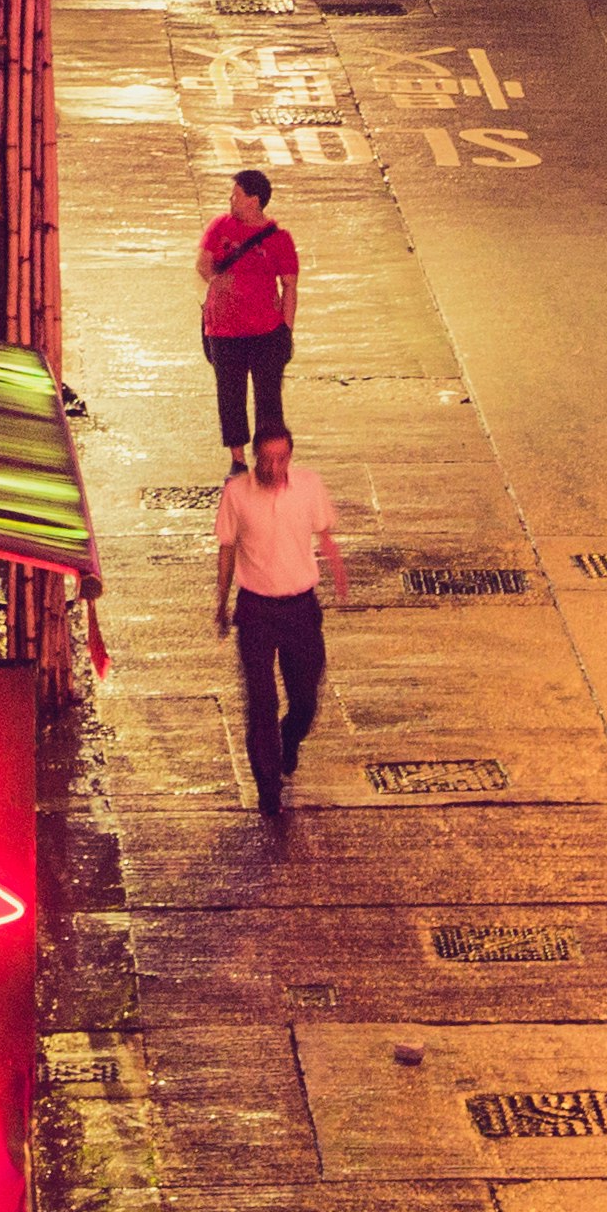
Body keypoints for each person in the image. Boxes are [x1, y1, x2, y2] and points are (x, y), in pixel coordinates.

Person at [213, 427, 348, 820]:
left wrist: (337, 568)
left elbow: (324, 534)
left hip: (300, 608)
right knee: (261, 703)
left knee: (305, 697)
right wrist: (220, 604)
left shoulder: (309, 486)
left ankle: (291, 738)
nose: (274, 466)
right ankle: (268, 787)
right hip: (256, 610)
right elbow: (226, 548)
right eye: (267, 459)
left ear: (290, 456)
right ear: (255, 457)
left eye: (282, 458)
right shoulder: (237, 495)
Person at [197, 168, 300, 465]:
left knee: (269, 399)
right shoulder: (220, 227)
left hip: (266, 332)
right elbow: (203, 264)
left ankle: (269, 459)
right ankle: (238, 460)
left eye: (237, 195)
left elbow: (289, 285)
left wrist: (286, 329)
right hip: (223, 330)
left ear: (254, 200)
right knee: (230, 397)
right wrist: (218, 279)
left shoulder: (279, 239)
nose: (231, 200)